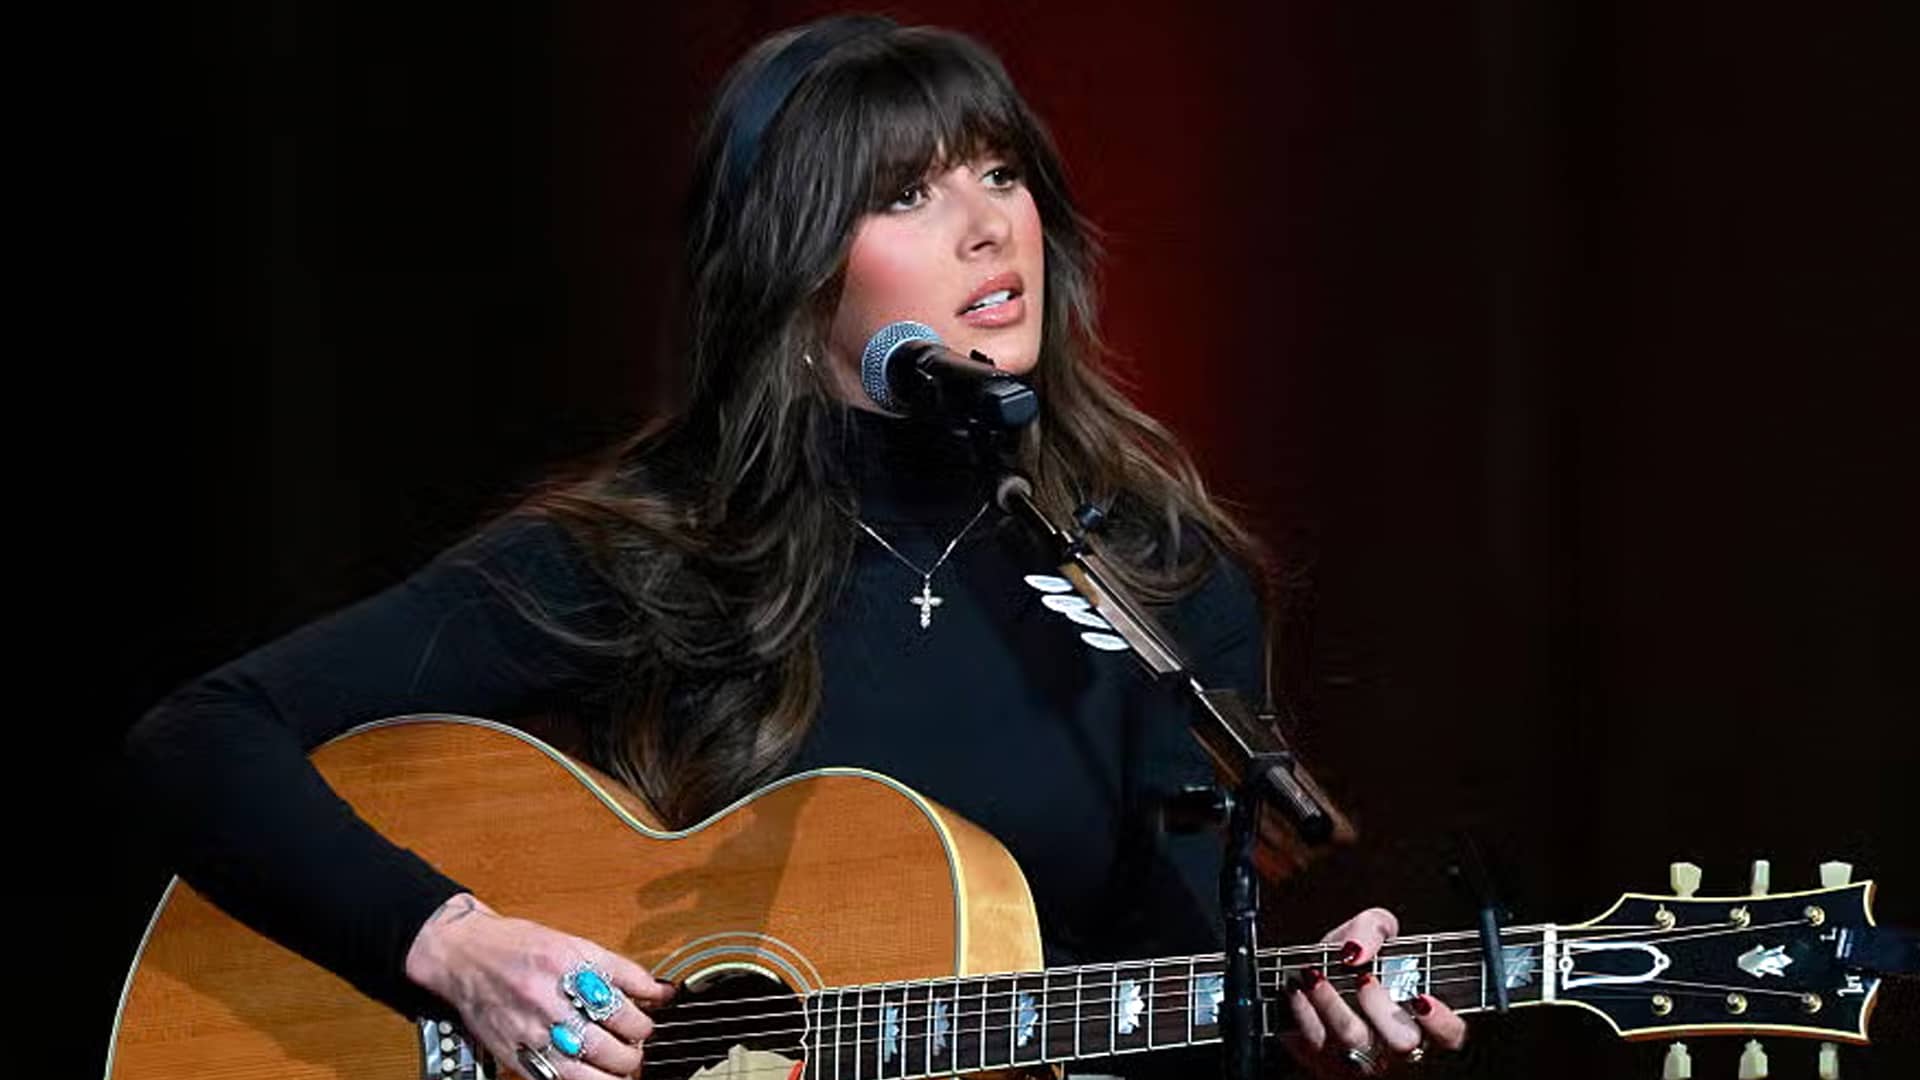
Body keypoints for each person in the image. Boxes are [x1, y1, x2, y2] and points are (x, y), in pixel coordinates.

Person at [124, 14, 1467, 1079]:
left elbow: (1164, 1000)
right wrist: (456, 949)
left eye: (1002, 174)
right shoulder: (652, 550)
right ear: (797, 270)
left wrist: (1299, 1028)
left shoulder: (1161, 580)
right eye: (908, 193)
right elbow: (200, 737)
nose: (990, 224)